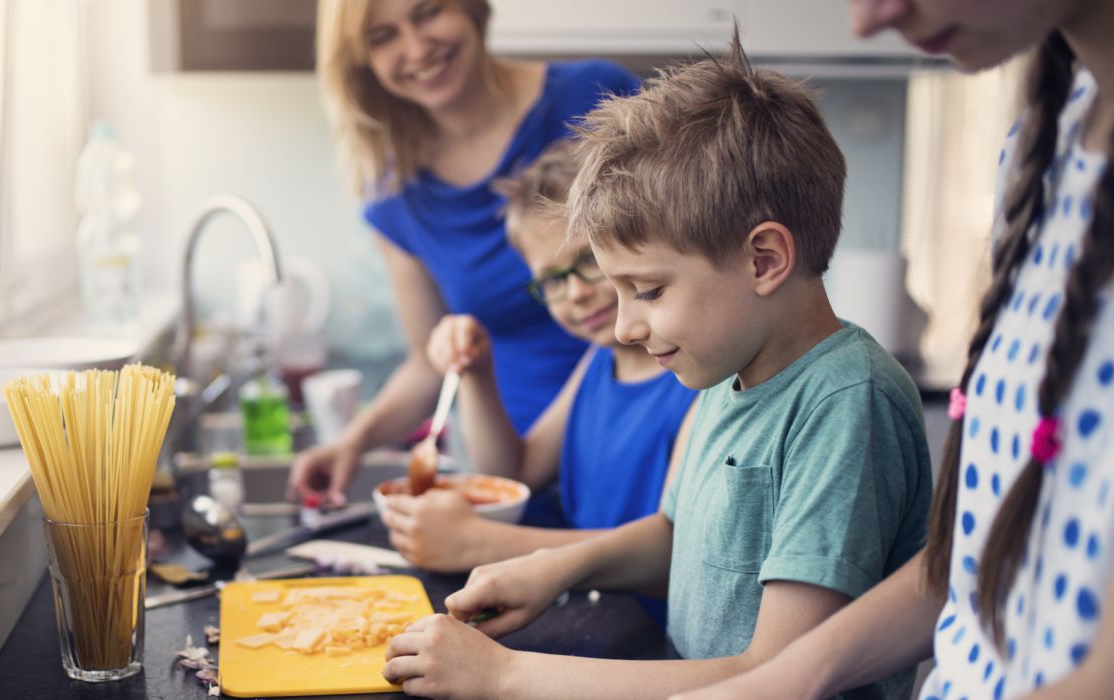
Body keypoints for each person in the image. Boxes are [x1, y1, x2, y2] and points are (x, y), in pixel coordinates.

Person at [381, 35, 934, 699]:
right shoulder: (730, 372)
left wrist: (504, 675)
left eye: (647, 291)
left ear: (764, 261)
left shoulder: (844, 404)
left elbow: (779, 676)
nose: (623, 327)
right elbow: (679, 535)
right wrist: (551, 568)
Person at [674, 1, 1114, 699]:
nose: (870, 18)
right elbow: (969, 560)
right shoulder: (1040, 147)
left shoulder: (847, 392)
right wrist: (781, 682)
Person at [292, 0, 641, 507]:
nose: (416, 48)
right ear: (360, 60)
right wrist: (353, 442)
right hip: (517, 471)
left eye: (429, 12)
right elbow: (430, 359)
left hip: (643, 434)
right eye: (382, 36)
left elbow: (683, 259)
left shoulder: (595, 97)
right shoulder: (396, 194)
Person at [379, 141, 697, 626]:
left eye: (588, 261)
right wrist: (478, 373)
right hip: (597, 617)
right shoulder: (598, 361)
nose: (574, 292)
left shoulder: (696, 377)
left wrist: (481, 542)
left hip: (654, 640)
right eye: (550, 280)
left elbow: (675, 553)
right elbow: (517, 472)